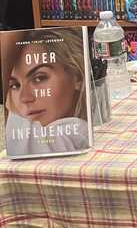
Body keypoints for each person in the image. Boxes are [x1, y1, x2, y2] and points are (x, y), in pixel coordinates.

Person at [2, 28, 90, 157]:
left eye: (39, 78)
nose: (25, 98)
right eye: (15, 85)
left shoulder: (79, 133)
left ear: (77, 76)